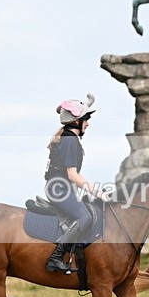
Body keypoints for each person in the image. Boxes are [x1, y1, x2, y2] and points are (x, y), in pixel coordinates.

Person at [44, 93, 102, 273]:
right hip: (59, 190)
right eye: (86, 119)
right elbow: (73, 175)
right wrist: (97, 192)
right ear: (76, 121)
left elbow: (75, 175)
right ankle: (55, 258)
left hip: (62, 188)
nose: (88, 124)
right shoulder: (69, 141)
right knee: (85, 217)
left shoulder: (69, 138)